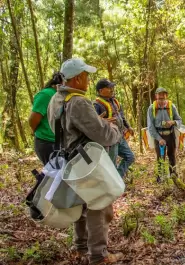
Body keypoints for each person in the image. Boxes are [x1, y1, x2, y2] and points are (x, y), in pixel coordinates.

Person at [47, 58, 123, 264]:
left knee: (80, 204)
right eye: (86, 75)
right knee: (99, 204)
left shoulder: (56, 99)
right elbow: (102, 134)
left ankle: (80, 247)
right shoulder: (78, 102)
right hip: (87, 162)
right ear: (78, 78)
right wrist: (115, 130)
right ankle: (99, 255)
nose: (88, 80)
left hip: (69, 160)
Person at [93, 79, 135, 178]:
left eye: (112, 87)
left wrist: (128, 127)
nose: (112, 89)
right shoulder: (96, 104)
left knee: (130, 157)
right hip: (110, 139)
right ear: (100, 91)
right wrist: (103, 121)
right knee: (111, 164)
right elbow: (94, 123)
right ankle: (113, 188)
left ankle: (118, 179)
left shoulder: (114, 101)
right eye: (108, 88)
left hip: (120, 136)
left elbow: (122, 116)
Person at [147, 87, 182, 181]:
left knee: (171, 156)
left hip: (170, 135)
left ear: (166, 97)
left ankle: (174, 176)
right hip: (158, 135)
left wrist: (173, 122)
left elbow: (179, 120)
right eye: (159, 98)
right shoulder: (152, 108)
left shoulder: (172, 107)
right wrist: (159, 139)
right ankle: (160, 178)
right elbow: (150, 127)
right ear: (156, 97)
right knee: (160, 157)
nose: (161, 101)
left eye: (163, 98)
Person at [28, 72, 63, 165]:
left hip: (59, 143)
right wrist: (37, 131)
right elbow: (33, 119)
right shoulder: (46, 94)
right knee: (54, 174)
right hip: (47, 142)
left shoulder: (62, 95)